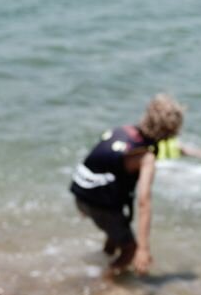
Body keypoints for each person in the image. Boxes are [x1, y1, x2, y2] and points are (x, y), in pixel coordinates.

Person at [70, 94, 184, 275]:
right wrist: (143, 249)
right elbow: (144, 202)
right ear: (171, 131)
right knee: (130, 249)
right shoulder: (146, 157)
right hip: (98, 204)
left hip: (81, 193)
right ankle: (106, 282)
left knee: (116, 230)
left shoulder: (120, 131)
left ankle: (106, 255)